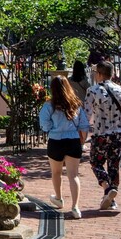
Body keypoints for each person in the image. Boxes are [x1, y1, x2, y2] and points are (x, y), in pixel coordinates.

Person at [85, 60, 121, 211]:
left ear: (100, 74)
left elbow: (86, 115)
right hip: (119, 134)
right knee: (113, 165)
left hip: (101, 134)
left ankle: (107, 188)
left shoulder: (93, 91)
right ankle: (111, 199)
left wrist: (82, 135)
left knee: (96, 162)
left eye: (96, 73)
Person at [39, 76, 90, 220]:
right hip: (73, 140)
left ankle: (59, 198)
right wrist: (82, 140)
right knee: (73, 175)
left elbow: (44, 125)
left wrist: (54, 128)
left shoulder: (49, 106)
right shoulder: (75, 105)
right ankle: (75, 207)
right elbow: (84, 125)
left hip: (56, 140)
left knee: (56, 172)